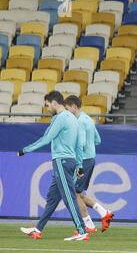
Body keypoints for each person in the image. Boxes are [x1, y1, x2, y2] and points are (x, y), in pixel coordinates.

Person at [19, 91, 89, 241]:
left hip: (61, 161)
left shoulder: (59, 118)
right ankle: (38, 229)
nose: (47, 108)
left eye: (47, 105)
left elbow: (46, 139)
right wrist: (79, 165)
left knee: (69, 197)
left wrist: (25, 150)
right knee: (52, 198)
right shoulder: (73, 118)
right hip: (69, 161)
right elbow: (79, 144)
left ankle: (82, 230)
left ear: (55, 103)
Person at [64, 95, 114, 234]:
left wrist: (78, 162)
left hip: (83, 160)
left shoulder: (79, 121)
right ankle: (104, 213)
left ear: (74, 106)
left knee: (74, 193)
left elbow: (81, 143)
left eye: (68, 109)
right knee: (78, 193)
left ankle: (89, 225)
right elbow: (97, 140)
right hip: (90, 158)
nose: (67, 113)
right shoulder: (89, 119)